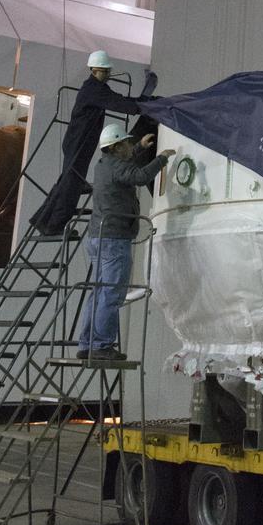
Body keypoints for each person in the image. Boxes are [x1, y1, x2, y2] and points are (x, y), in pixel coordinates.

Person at [76, 122, 175, 360]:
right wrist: (161, 158)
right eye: (127, 143)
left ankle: (87, 343)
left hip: (99, 237)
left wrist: (141, 148)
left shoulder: (103, 166)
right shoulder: (116, 167)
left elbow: (126, 170)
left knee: (99, 291)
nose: (130, 146)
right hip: (114, 238)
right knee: (111, 293)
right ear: (117, 146)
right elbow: (139, 176)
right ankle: (101, 345)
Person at [29, 51, 156, 237]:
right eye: (104, 71)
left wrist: (143, 102)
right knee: (70, 186)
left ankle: (42, 220)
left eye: (107, 71)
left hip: (80, 141)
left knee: (67, 181)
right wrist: (143, 106)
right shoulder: (93, 90)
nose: (107, 74)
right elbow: (119, 104)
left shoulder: (97, 88)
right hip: (78, 142)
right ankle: (53, 226)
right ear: (94, 70)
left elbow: (119, 100)